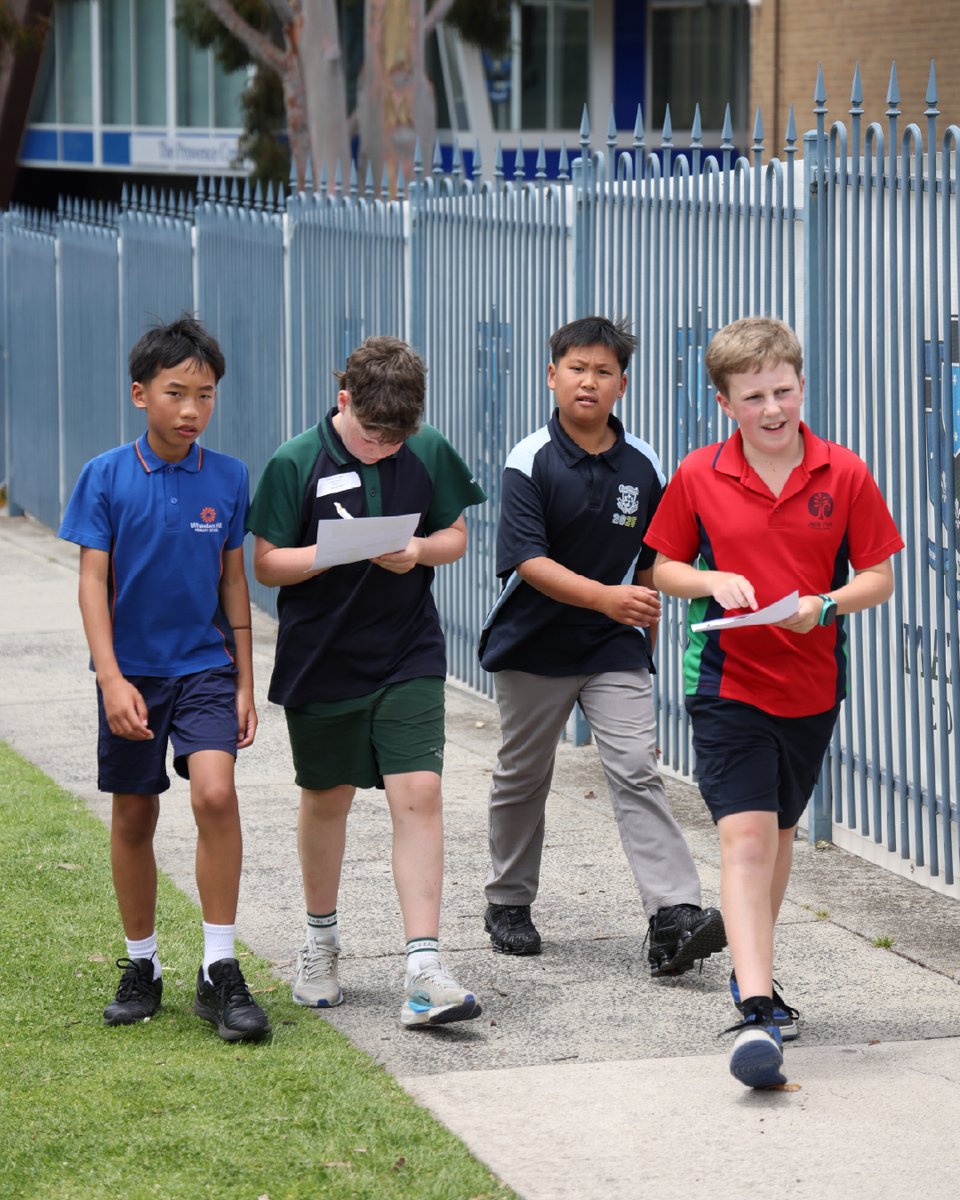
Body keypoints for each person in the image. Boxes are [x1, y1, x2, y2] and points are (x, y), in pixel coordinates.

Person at [644, 316, 903, 1088]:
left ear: (800, 385)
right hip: (726, 684)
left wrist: (825, 605)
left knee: (780, 833)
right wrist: (711, 579)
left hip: (811, 687)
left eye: (782, 391)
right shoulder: (698, 474)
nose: (772, 408)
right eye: (753, 396)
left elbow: (878, 579)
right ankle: (756, 1008)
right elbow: (662, 568)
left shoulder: (844, 473)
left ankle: (749, 968)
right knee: (749, 839)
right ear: (724, 403)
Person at [247, 335, 487, 1028]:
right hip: (322, 657)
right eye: (372, 434)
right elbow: (266, 562)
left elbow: (454, 535)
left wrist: (417, 551)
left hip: (408, 650)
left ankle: (424, 968)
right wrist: (328, 554)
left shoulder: (427, 448)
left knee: (420, 792)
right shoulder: (296, 461)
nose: (384, 448)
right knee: (328, 799)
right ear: (343, 399)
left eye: (396, 438)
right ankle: (320, 943)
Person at [478, 315, 726, 976]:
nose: (589, 381)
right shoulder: (529, 459)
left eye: (604, 371)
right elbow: (529, 561)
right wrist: (606, 598)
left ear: (622, 384)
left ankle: (673, 914)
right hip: (533, 642)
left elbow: (650, 568)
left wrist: (643, 642)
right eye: (577, 368)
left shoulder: (644, 465)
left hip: (613, 644)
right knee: (523, 774)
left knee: (636, 767)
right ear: (552, 375)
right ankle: (508, 901)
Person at [58, 315, 270, 1042]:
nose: (191, 410)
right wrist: (111, 680)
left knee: (216, 793)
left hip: (206, 667)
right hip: (132, 676)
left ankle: (218, 969)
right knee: (134, 815)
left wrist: (244, 681)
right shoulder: (105, 475)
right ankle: (142, 964)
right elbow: (92, 584)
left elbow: (234, 582)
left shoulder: (229, 476)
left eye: (205, 395)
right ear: (139, 393)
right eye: (176, 393)